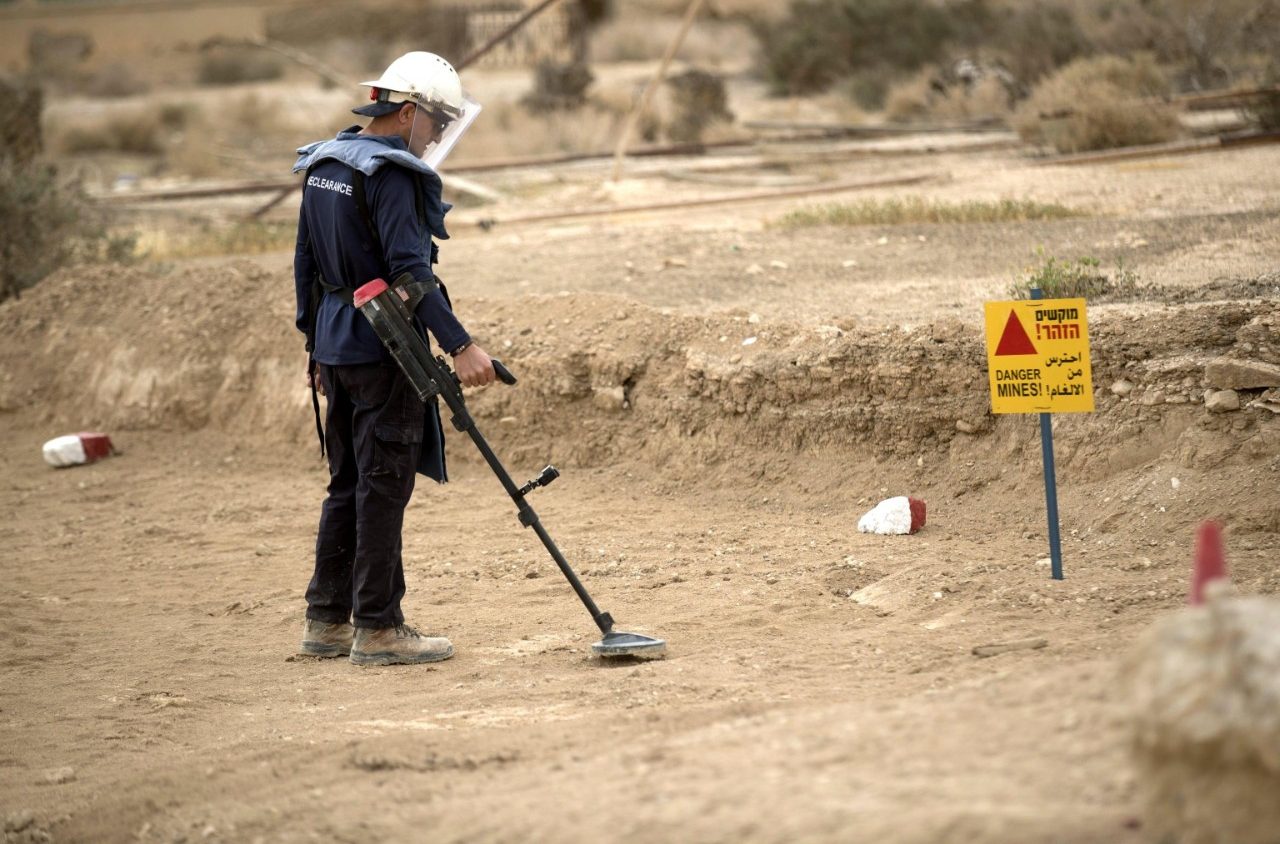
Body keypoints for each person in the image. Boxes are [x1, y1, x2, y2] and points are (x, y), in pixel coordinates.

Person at [291, 51, 494, 666]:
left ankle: (326, 621)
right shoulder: (393, 174)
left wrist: (314, 346)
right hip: (384, 349)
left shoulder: (325, 161)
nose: (434, 136)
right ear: (407, 111)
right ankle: (378, 626)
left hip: (336, 343)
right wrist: (461, 345)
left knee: (347, 484)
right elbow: (410, 278)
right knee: (382, 486)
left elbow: (306, 266)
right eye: (435, 122)